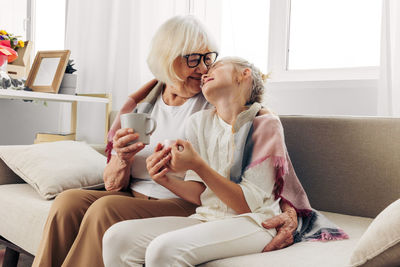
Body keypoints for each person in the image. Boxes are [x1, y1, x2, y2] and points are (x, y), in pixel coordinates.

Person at [32, 16, 297, 267]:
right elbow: (114, 184)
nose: (204, 68)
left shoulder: (214, 100)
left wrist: (289, 212)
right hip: (133, 195)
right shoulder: (141, 105)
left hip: (183, 201)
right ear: (167, 59)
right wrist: (121, 159)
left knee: (104, 209)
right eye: (194, 59)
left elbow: (264, 151)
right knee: (67, 202)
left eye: (208, 58)